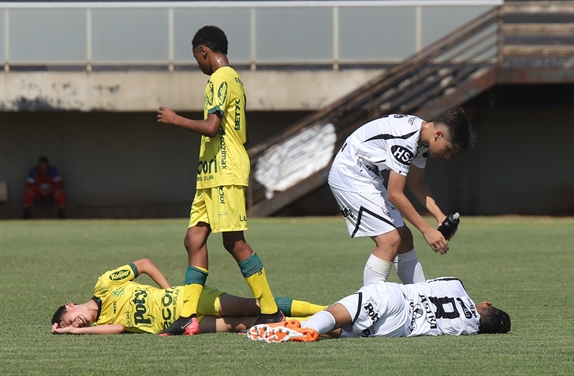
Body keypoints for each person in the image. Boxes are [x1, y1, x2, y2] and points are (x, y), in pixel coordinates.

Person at [156, 25, 282, 336]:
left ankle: (271, 311)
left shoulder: (220, 78)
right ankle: (187, 316)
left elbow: (212, 127)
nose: (198, 64)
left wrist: (175, 120)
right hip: (211, 175)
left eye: (197, 58)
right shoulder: (235, 80)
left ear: (204, 52)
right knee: (194, 240)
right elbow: (244, 133)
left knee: (233, 241)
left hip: (224, 173)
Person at [327, 108, 476, 286]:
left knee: (404, 238)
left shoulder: (421, 139)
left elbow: (416, 184)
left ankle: (421, 299)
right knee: (390, 240)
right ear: (438, 134)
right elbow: (395, 194)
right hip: (349, 175)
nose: (447, 156)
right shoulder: (406, 140)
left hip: (367, 176)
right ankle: (369, 304)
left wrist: (439, 216)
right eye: (449, 149)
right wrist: (427, 231)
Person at [51, 258, 326, 335]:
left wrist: (168, 291)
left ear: (70, 306)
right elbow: (120, 327)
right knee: (245, 324)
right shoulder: (99, 326)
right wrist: (73, 334)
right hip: (177, 326)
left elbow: (144, 264)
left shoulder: (104, 285)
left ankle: (326, 309)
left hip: (186, 300)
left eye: (68, 321)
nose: (75, 324)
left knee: (256, 305)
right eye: (71, 327)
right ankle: (325, 328)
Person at [246, 277, 511, 342]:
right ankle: (291, 327)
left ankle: (305, 330)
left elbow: (423, 281)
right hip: (398, 330)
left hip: (397, 299)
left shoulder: (457, 285)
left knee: (338, 313)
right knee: (343, 329)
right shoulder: (467, 330)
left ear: (485, 304)